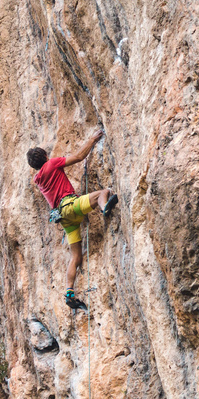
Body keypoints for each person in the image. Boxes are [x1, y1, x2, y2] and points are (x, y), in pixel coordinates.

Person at [28, 129, 117, 310]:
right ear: (45, 156)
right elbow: (77, 157)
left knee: (75, 256)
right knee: (104, 192)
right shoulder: (51, 164)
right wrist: (92, 140)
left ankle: (69, 291)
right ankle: (104, 208)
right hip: (70, 205)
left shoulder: (38, 179)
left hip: (64, 219)